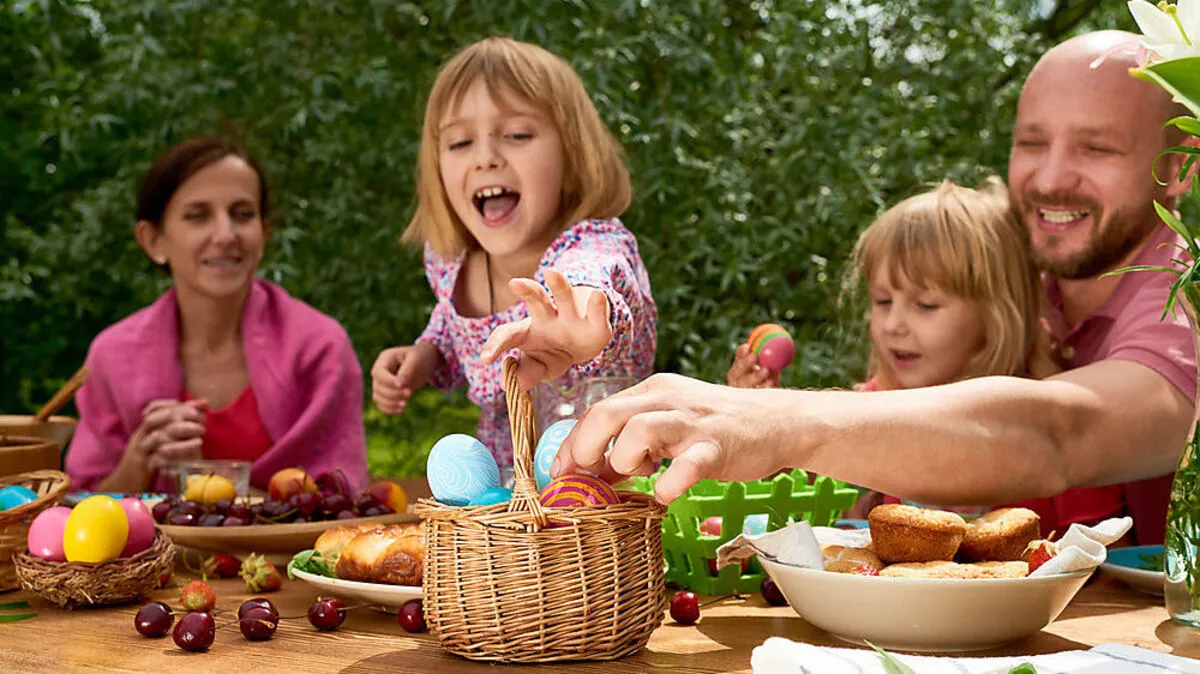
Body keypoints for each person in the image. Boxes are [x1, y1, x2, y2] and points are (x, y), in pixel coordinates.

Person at [552, 30, 1197, 546]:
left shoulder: (1180, 303)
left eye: (1098, 149)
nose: (1052, 177)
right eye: (1032, 142)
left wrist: (774, 421)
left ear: (1178, 169)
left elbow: (1063, 435)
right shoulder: (1032, 267)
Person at [370, 37, 657, 477]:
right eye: (460, 143)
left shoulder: (593, 243)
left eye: (517, 134)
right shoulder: (450, 263)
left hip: (606, 496)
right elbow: (450, 321)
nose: (485, 158)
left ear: (573, 156)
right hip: (510, 504)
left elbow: (597, 280)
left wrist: (580, 313)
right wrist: (427, 353)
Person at [66, 137, 369, 494]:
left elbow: (344, 501)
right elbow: (79, 510)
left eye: (243, 214)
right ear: (154, 241)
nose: (225, 235)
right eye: (198, 216)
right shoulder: (111, 356)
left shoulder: (320, 347)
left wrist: (208, 483)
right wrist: (139, 462)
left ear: (264, 232)